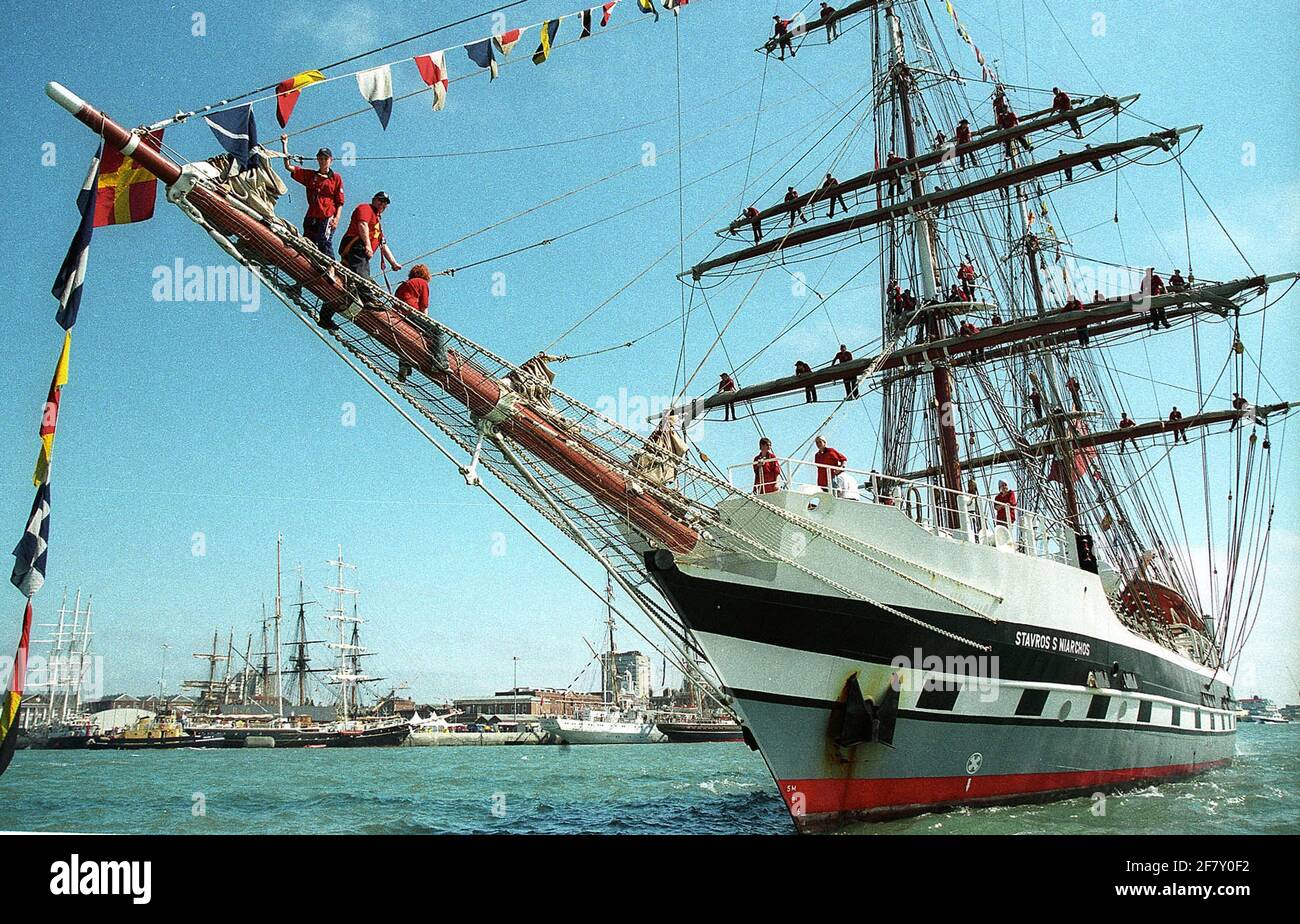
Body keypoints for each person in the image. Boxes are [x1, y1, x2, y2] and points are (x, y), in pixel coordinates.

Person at [329, 191, 401, 328]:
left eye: (385, 203)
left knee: (347, 283)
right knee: (362, 274)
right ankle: (368, 299)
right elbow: (362, 225)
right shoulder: (365, 208)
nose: (383, 204)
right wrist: (367, 245)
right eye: (380, 201)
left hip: (360, 252)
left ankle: (325, 316)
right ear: (374, 200)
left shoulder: (378, 222)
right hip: (356, 246)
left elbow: (383, 244)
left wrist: (393, 263)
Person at [280, 135, 345, 256]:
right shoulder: (311, 176)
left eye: (325, 158)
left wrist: (337, 219)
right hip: (312, 216)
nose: (323, 161)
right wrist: (284, 144)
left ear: (331, 160)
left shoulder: (336, 178)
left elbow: (340, 201)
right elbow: (288, 167)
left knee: (324, 241)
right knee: (308, 243)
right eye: (320, 158)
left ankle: (331, 267)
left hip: (326, 215)